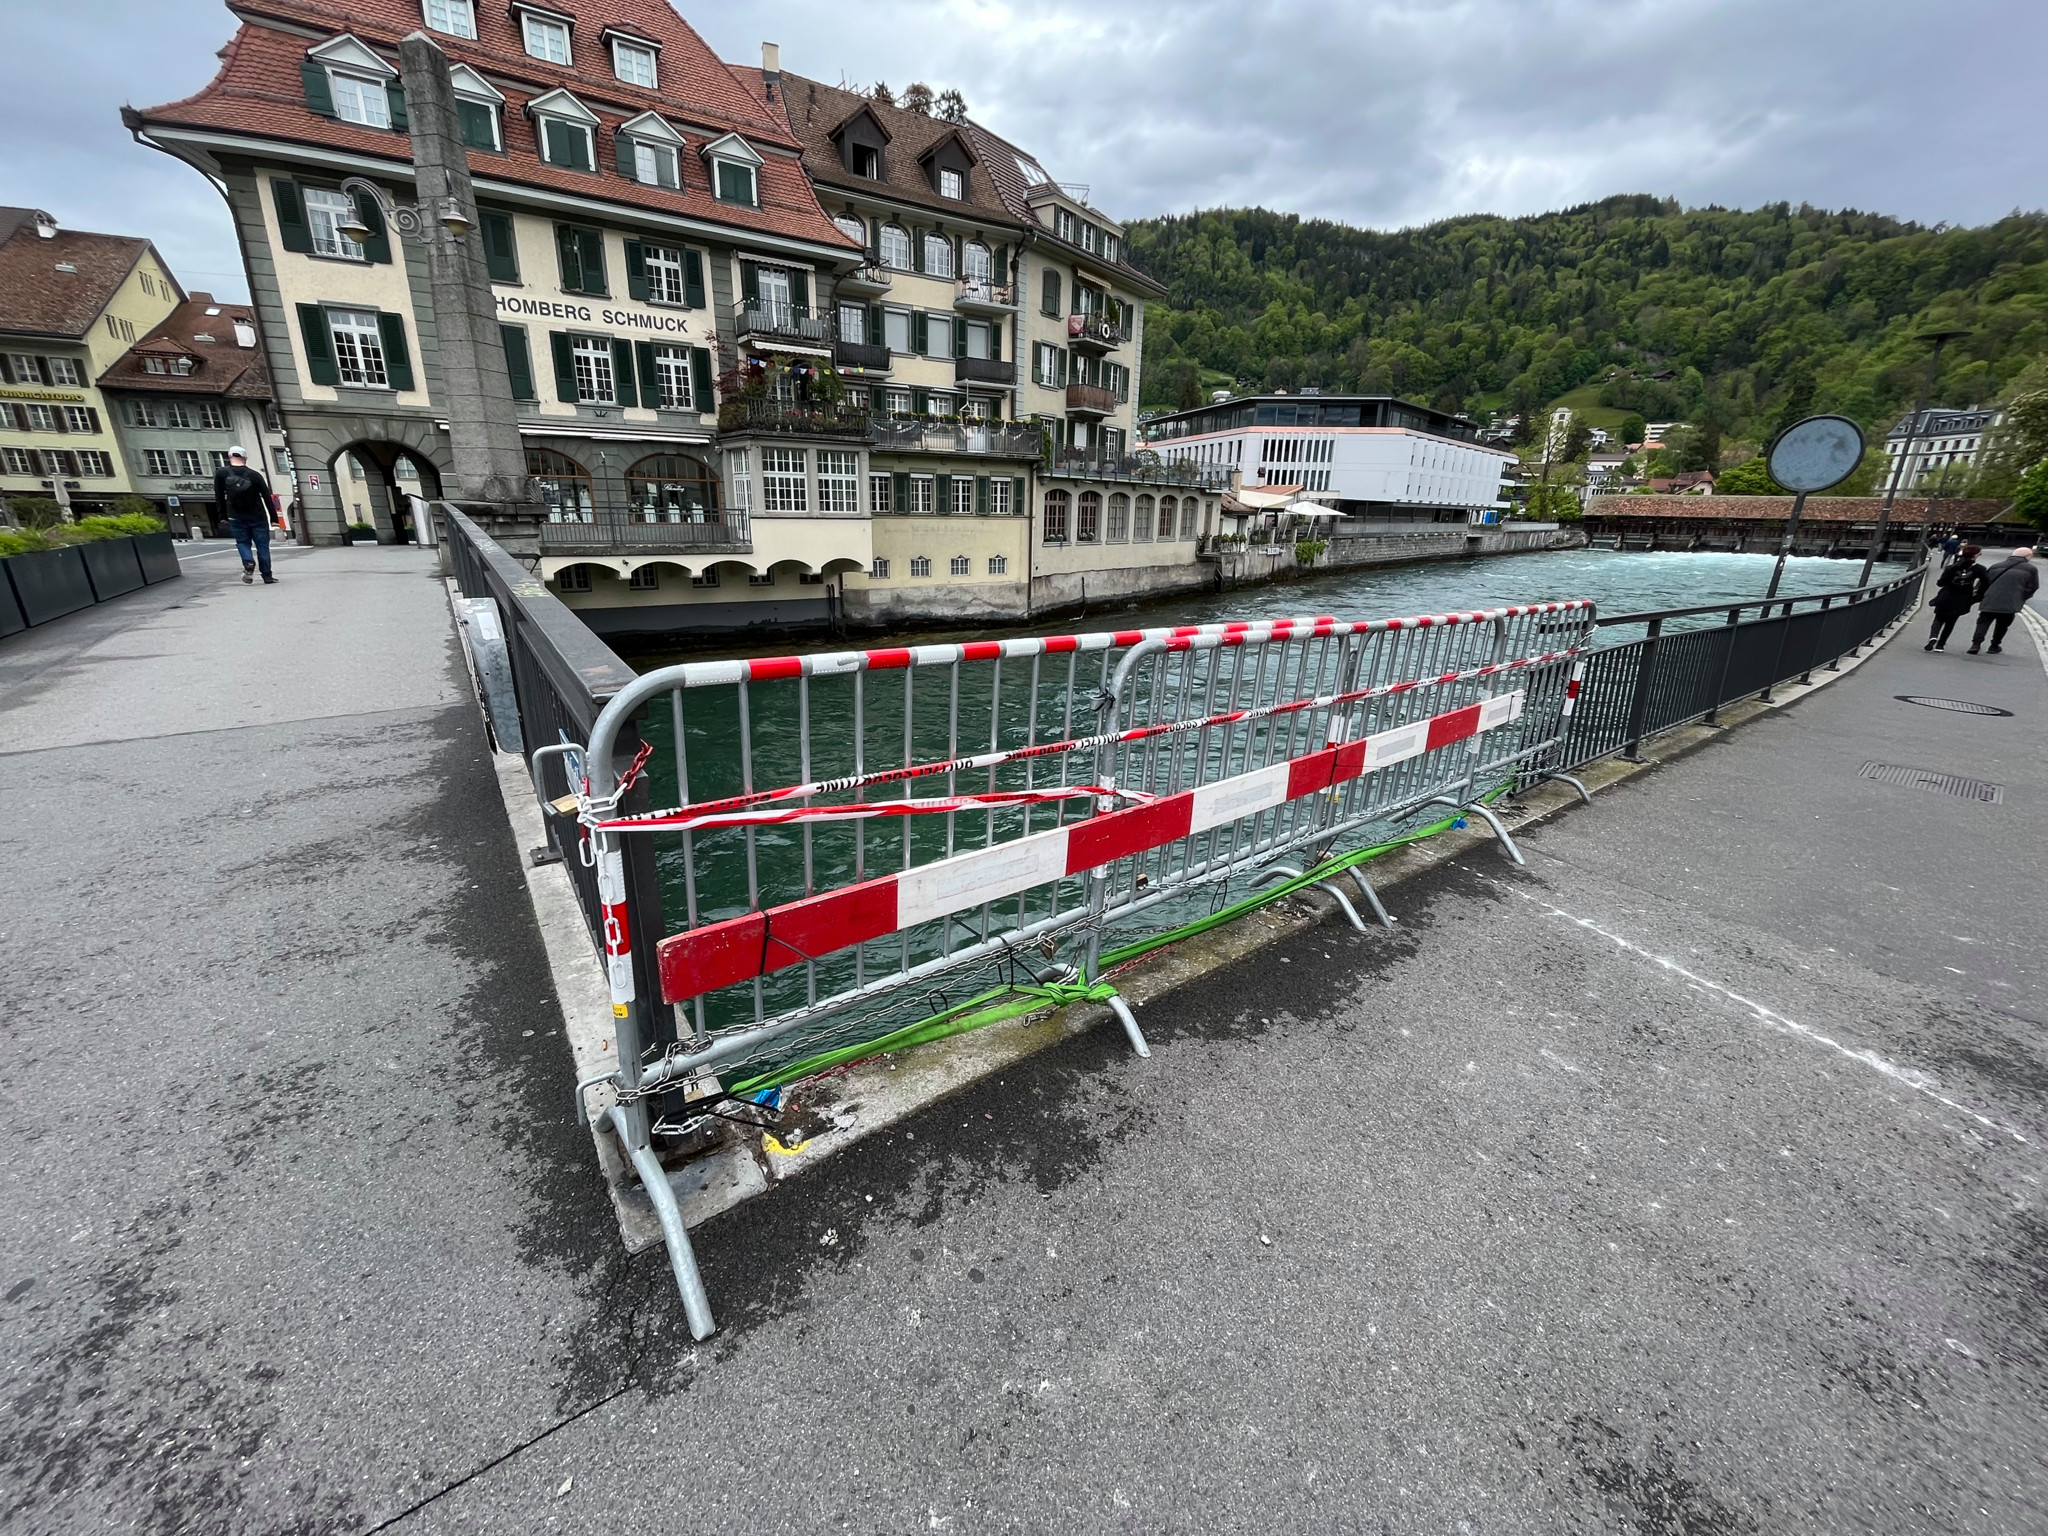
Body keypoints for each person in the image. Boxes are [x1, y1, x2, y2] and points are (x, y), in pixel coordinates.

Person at [213, 447, 277, 585]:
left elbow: (219, 497)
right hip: (257, 516)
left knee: (242, 542)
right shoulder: (254, 475)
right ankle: (267, 576)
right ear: (245, 458)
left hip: (235, 516)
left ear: (229, 456)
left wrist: (222, 515)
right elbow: (267, 497)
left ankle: (248, 562)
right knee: (262, 546)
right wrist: (274, 518)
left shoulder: (221, 474)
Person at [1968, 547, 2039, 654]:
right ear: (2027, 556)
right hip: (2011, 601)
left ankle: (1976, 644)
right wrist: (2022, 597)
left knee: (1983, 622)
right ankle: (1994, 645)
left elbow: (1983, 583)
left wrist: (1981, 595)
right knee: (2003, 624)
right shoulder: (2031, 569)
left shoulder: (1996, 566)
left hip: (1991, 599)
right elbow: (2033, 586)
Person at [1926, 543, 1985, 650]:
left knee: (1939, 618)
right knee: (1951, 622)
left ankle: (1933, 637)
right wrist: (1977, 593)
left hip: (1947, 595)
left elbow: (1940, 583)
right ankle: (1940, 645)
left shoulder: (1951, 567)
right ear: (1975, 555)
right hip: (1962, 598)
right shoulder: (1980, 569)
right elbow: (1986, 583)